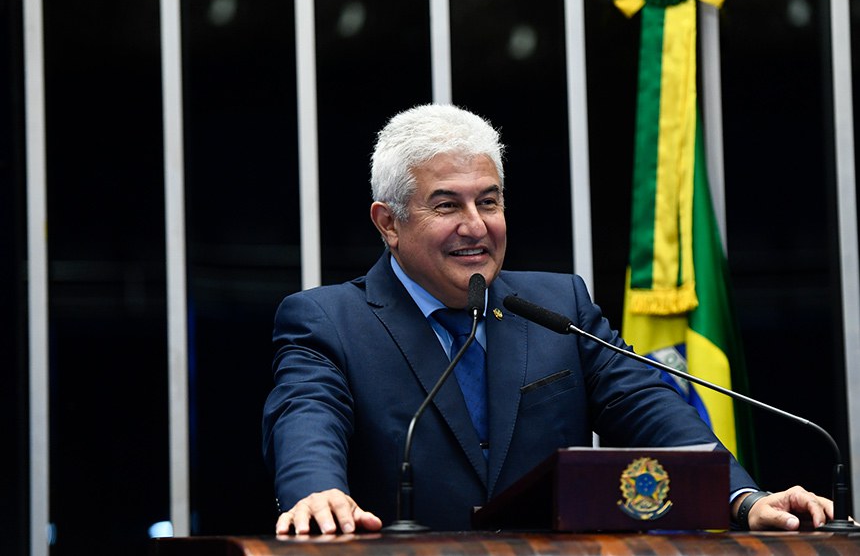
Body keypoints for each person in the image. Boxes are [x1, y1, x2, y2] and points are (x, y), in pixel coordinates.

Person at [261, 103, 834, 535]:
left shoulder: (559, 308)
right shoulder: (327, 320)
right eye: (446, 205)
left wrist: (746, 499)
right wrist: (317, 492)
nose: (476, 225)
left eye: (489, 201)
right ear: (388, 222)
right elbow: (305, 416)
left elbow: (653, 413)